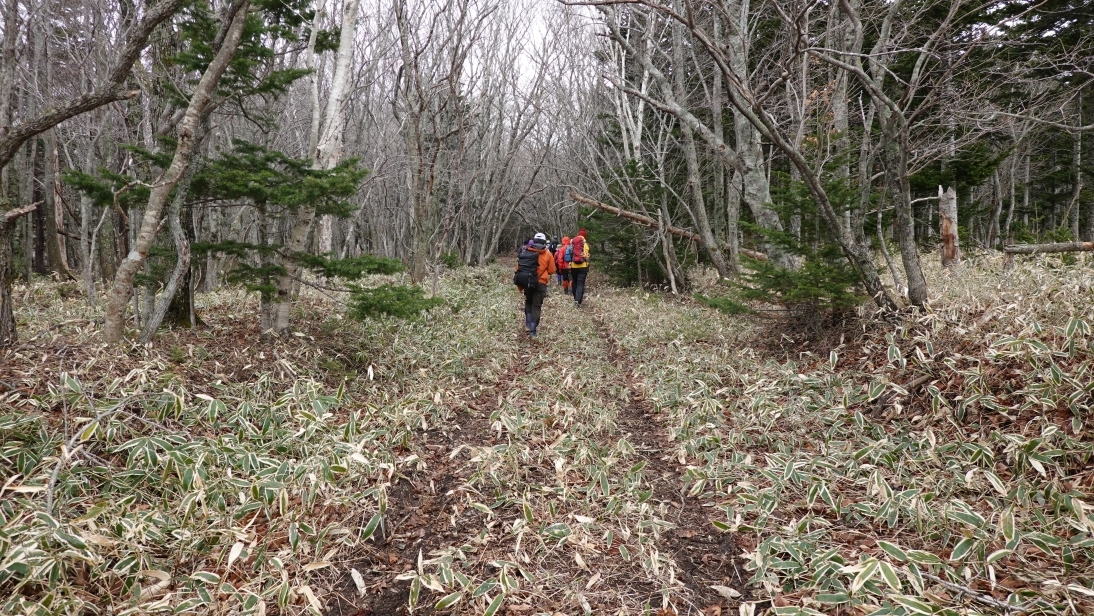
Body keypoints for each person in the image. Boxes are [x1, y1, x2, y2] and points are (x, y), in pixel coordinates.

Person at [513, 232, 556, 338]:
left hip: (527, 281)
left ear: (534, 241)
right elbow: (551, 270)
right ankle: (533, 330)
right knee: (536, 305)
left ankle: (528, 324)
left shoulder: (526, 251)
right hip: (541, 283)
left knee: (528, 301)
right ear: (544, 242)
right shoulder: (547, 254)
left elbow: (518, 267)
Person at [570, 228, 589, 307]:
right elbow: (586, 256)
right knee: (580, 283)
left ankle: (575, 298)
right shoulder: (585, 244)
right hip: (583, 266)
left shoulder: (573, 243)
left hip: (574, 266)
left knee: (574, 282)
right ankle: (578, 301)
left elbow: (571, 254)